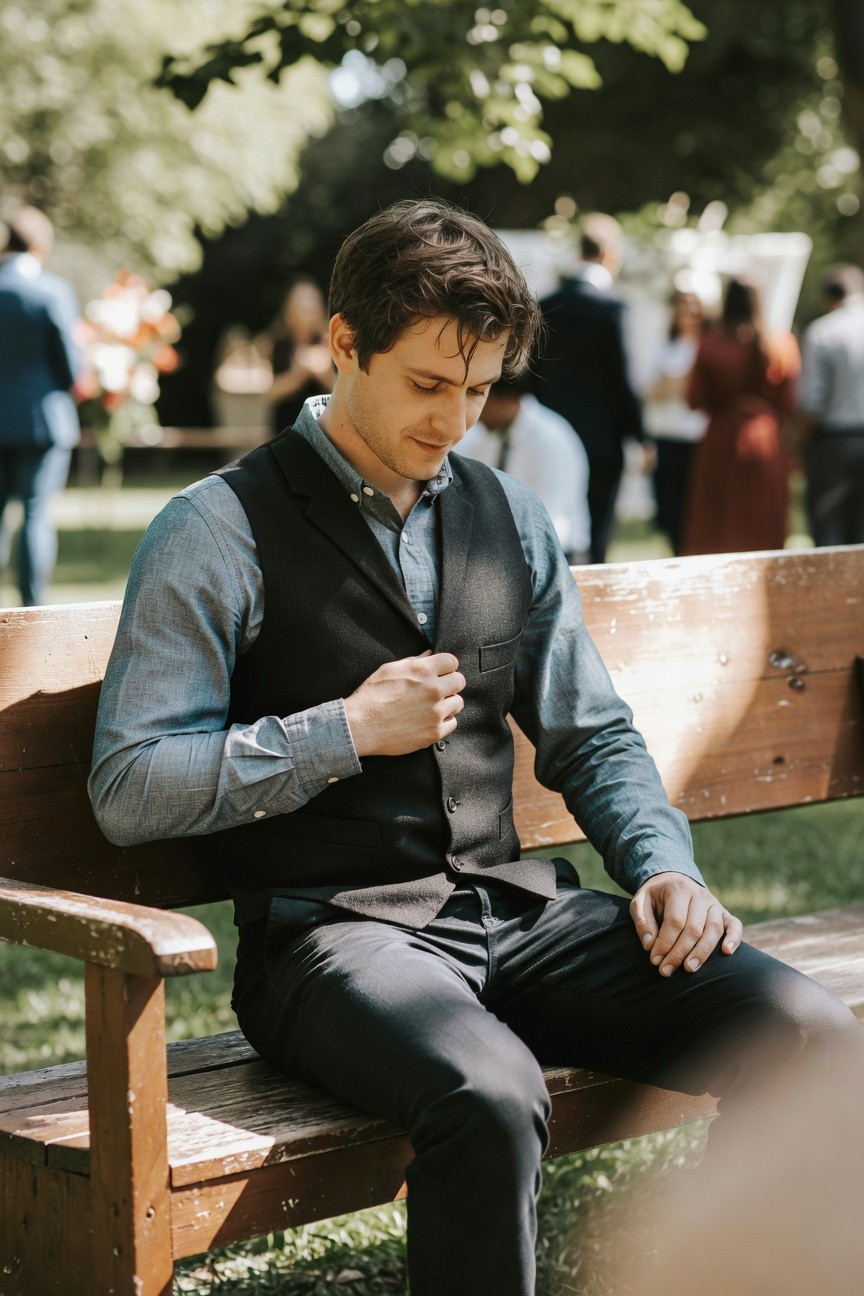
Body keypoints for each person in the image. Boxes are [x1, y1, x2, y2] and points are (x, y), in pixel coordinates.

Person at [89, 200, 858, 1296]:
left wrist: (664, 867)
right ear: (345, 345)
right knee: (491, 1096)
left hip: (517, 914)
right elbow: (128, 786)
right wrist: (343, 731)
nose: (457, 419)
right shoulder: (212, 532)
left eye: (483, 388)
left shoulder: (512, 517)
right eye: (429, 385)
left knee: (806, 1029)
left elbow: (591, 734)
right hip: (331, 943)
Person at [535, 212, 646, 563]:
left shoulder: (545, 306)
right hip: (601, 439)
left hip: (550, 432)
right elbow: (622, 380)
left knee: (549, 528)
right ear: (610, 254)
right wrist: (639, 435)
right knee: (597, 536)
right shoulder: (612, 309)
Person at [681, 276, 799, 556]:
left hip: (722, 440)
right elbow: (790, 403)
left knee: (717, 526)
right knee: (763, 524)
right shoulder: (782, 344)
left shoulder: (710, 344)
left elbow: (694, 399)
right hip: (766, 440)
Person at [0, 205, 82, 605]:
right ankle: (32, 609)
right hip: (42, 423)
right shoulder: (52, 292)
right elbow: (71, 369)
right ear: (40, 244)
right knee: (35, 513)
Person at [455, 372, 591, 564]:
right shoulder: (477, 436)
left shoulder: (549, 440)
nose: (474, 412)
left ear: (511, 398)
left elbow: (550, 523)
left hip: (555, 556)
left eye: (481, 399)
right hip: (496, 556)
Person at [798, 263, 864, 546]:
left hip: (834, 445)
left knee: (830, 533)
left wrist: (799, 442)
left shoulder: (823, 332)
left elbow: (813, 399)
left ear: (829, 299)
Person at [644, 291, 707, 555]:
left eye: (692, 306)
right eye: (681, 305)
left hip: (697, 437)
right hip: (667, 434)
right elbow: (648, 394)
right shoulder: (663, 347)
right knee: (668, 509)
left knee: (693, 508)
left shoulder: (706, 346)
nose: (686, 312)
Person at [265, 276, 334, 435]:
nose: (306, 308)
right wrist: (297, 375)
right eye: (301, 303)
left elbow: (341, 393)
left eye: (310, 303)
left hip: (320, 430)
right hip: (284, 429)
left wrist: (321, 373)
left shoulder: (329, 341)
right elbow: (269, 392)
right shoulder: (279, 343)